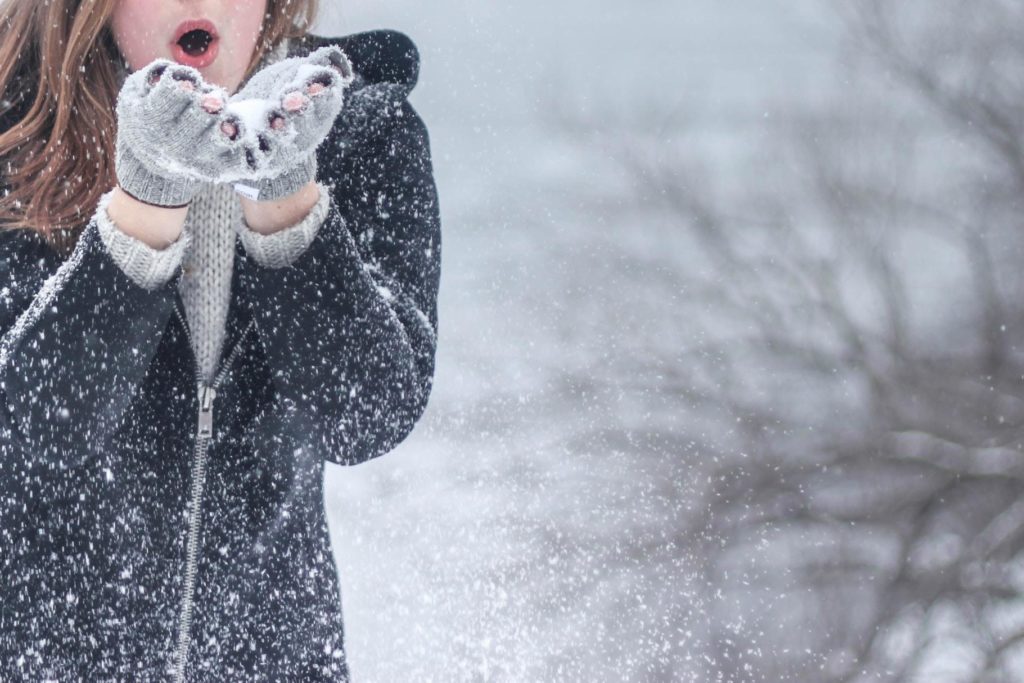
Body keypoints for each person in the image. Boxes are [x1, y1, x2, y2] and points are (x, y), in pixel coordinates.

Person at [0, 0, 441, 679]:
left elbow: (367, 415)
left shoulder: (361, 133)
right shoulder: (17, 135)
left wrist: (285, 196)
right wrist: (146, 200)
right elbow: (34, 424)